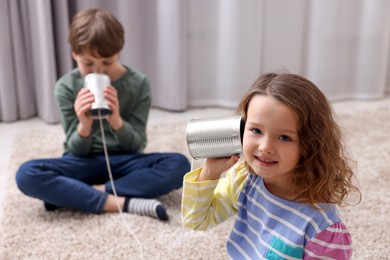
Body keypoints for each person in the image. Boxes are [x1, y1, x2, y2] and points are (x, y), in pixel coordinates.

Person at [15, 8, 190, 221]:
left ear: (118, 52)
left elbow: (135, 146)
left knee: (180, 165)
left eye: (107, 62)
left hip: (125, 162)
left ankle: (79, 193)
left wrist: (116, 120)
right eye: (87, 64)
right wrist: (84, 125)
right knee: (27, 174)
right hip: (82, 162)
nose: (98, 71)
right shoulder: (66, 87)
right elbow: (75, 150)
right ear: (74, 55)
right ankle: (125, 202)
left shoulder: (138, 83)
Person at [181, 72, 361, 258]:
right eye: (256, 130)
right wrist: (210, 173)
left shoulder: (322, 228)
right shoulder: (245, 179)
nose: (265, 147)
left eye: (284, 137)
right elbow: (197, 221)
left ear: (310, 144)